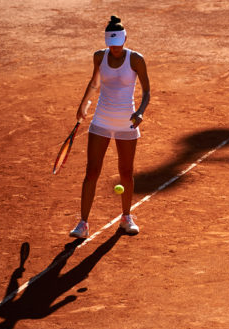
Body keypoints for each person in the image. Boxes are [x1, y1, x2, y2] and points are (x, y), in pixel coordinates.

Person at [69, 15, 150, 238]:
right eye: (110, 45)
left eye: (117, 45)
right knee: (91, 172)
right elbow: (95, 82)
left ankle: (126, 218)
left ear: (124, 40)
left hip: (127, 122)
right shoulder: (99, 57)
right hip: (101, 120)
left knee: (126, 172)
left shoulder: (136, 59)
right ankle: (83, 224)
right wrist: (84, 103)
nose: (114, 49)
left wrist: (140, 111)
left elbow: (147, 91)